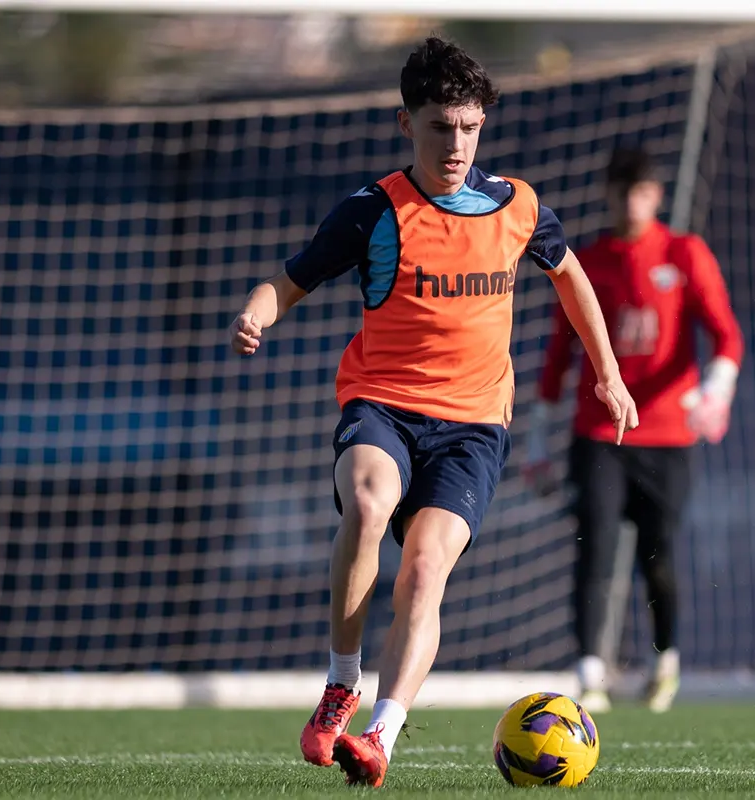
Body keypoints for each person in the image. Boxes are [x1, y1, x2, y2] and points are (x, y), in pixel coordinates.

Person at [228, 37, 638, 788]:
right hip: (382, 405)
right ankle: (341, 681)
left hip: (475, 428)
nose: (456, 144)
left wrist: (608, 375)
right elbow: (285, 284)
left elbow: (572, 277)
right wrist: (256, 315)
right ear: (405, 122)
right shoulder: (373, 210)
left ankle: (381, 734)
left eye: (470, 127)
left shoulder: (516, 207)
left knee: (423, 569)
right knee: (367, 500)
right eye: (440, 126)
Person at [526, 145, 744, 714]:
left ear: (656, 195)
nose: (632, 202)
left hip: (668, 435)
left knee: (659, 554)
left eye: (642, 191)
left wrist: (715, 395)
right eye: (622, 191)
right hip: (599, 434)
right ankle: (590, 673)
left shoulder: (684, 253)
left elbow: (727, 336)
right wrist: (536, 443)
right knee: (594, 545)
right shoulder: (588, 262)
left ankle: (665, 662)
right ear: (609, 195)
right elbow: (558, 357)